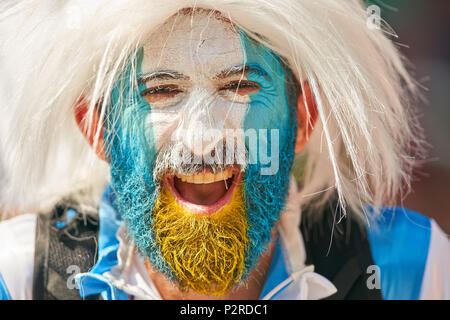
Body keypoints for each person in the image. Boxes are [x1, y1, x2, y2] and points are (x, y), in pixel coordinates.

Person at [0, 0, 448, 300]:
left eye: (239, 86)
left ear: (303, 120)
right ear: (97, 129)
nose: (202, 140)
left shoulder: (408, 270)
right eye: (161, 90)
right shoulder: (21, 277)